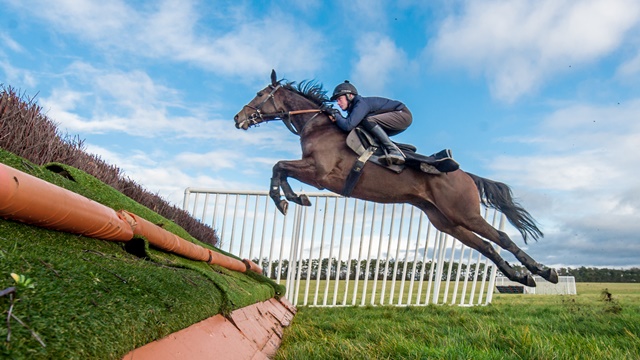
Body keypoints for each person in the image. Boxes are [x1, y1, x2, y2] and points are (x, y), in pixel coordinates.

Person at [326, 80, 411, 165]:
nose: (338, 103)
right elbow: (347, 126)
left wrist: (336, 114)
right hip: (398, 118)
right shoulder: (355, 109)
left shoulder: (361, 103)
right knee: (364, 128)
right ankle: (400, 148)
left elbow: (348, 126)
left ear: (350, 96)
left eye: (340, 99)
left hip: (402, 114)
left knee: (367, 121)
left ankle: (394, 150)